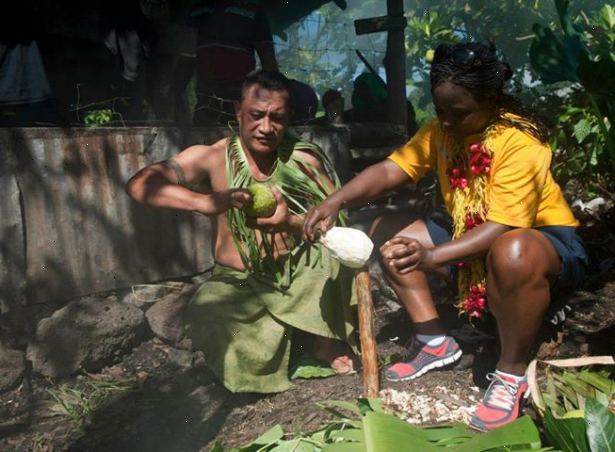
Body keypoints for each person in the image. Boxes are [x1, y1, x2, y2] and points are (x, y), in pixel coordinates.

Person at [303, 42, 587, 431]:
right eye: (440, 111)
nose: (447, 122)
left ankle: (510, 372)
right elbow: (392, 171)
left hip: (537, 244)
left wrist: (432, 257)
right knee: (387, 231)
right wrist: (335, 200)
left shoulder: (520, 142)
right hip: (470, 235)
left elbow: (503, 226)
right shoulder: (441, 131)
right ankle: (434, 340)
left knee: (512, 251)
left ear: (490, 99)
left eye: (459, 113)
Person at [126, 70, 356, 393]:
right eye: (256, 115)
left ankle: (323, 344)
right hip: (239, 283)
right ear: (238, 111)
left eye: (276, 118)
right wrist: (205, 202)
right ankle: (281, 350)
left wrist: (289, 222)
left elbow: (334, 227)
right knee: (210, 313)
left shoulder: (304, 160)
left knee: (336, 257)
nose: (266, 127)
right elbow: (139, 185)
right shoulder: (211, 157)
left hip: (297, 276)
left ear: (288, 117)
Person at [187, 0, 278, 125]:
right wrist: (174, 93)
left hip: (239, 100)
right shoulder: (197, 11)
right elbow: (186, 56)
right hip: (205, 99)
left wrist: (273, 99)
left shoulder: (253, 11)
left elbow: (268, 61)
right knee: (202, 134)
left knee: (237, 138)